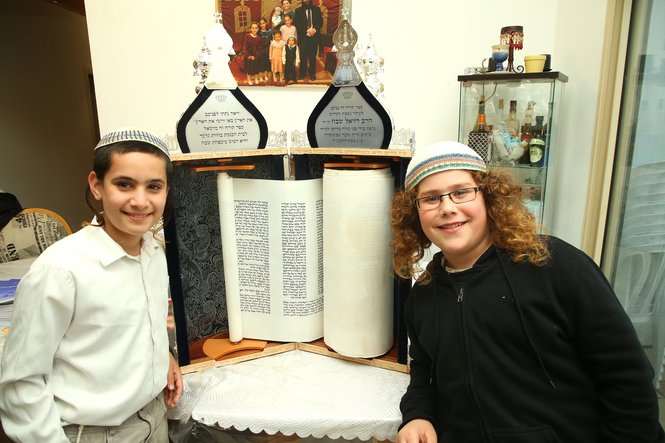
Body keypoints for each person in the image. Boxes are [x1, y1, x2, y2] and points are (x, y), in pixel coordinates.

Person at [392, 141, 665, 443]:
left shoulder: (554, 265)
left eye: (461, 192)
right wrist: (418, 414)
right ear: (415, 213)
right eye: (431, 198)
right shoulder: (423, 296)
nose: (447, 208)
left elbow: (627, 380)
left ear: (489, 196)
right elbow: (424, 370)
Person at [0, 128, 183, 442]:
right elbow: (21, 383)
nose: (140, 201)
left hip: (155, 419)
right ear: (97, 185)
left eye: (154, 186)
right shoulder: (61, 270)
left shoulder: (154, 253)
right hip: (97, 433)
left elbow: (134, 326)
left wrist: (162, 356)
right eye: (124, 184)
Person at [293, 0, 322, 81]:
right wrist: (307, 30)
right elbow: (297, 23)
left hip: (314, 36)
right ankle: (302, 73)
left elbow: (320, 21)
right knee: (303, 56)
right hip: (303, 37)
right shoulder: (298, 10)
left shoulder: (317, 9)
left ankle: (312, 73)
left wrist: (314, 30)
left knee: (312, 56)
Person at [258, 18, 273, 83]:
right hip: (261, 50)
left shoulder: (270, 31)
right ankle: (261, 76)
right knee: (261, 63)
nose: (262, 25)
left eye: (263, 23)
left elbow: (271, 41)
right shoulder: (259, 32)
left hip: (267, 49)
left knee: (267, 62)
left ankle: (266, 75)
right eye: (261, 24)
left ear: (266, 23)